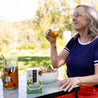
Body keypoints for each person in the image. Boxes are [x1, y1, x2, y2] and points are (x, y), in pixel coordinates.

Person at [45, 4, 98, 98]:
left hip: (91, 93)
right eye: (73, 15)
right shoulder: (74, 41)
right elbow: (56, 63)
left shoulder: (96, 42)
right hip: (71, 90)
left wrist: (77, 80)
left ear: (90, 19)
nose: (73, 18)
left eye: (77, 14)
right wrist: (53, 43)